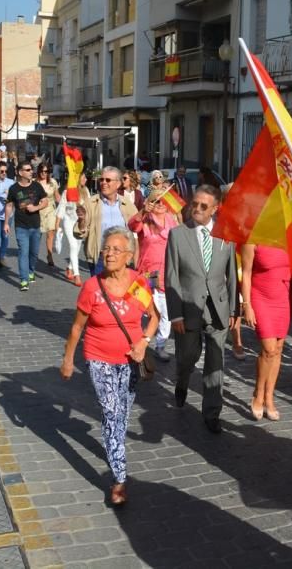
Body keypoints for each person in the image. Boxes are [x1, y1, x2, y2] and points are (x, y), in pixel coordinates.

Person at [61, 226, 160, 506]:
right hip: (98, 358)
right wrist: (68, 359)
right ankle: (119, 478)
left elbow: (154, 317)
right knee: (112, 411)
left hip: (130, 361)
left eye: (116, 249)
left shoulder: (137, 283)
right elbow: (77, 328)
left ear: (129, 256)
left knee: (122, 414)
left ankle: (114, 442)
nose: (109, 254)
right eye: (106, 249)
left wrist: (143, 342)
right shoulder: (93, 287)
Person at [165, 185, 239, 434]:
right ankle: (182, 380)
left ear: (215, 208)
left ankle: (212, 413)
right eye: (194, 204)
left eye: (203, 206)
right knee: (187, 357)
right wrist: (175, 313)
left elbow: (232, 276)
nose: (196, 209)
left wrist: (233, 311)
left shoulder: (225, 235)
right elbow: (171, 277)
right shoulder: (178, 235)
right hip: (187, 309)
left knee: (215, 363)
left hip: (217, 309)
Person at [128, 187, 179, 362]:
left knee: (166, 312)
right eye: (156, 200)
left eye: (163, 200)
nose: (160, 204)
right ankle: (137, 340)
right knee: (139, 308)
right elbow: (132, 226)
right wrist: (143, 211)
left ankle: (161, 345)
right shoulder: (145, 219)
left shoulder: (173, 221)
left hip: (167, 273)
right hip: (146, 274)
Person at [241, 244, 292, 421]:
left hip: (283, 298)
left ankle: (269, 397)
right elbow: (246, 273)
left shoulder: (289, 237)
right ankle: (258, 394)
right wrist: (246, 305)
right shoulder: (252, 240)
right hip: (261, 297)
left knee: (278, 348)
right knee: (269, 349)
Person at [74, 167, 139, 274]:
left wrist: (135, 260)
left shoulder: (127, 205)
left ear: (118, 184)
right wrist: (81, 220)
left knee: (120, 290)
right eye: (101, 180)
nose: (103, 183)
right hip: (100, 257)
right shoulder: (91, 203)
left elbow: (136, 232)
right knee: (100, 290)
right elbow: (79, 233)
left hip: (122, 258)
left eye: (108, 180)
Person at [4, 162, 48, 291]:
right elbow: (9, 206)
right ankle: (24, 280)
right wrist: (6, 223)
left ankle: (30, 271)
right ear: (20, 172)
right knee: (23, 252)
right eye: (28, 170)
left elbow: (45, 201)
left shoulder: (37, 186)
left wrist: (36, 207)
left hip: (35, 226)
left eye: (31, 169)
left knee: (33, 253)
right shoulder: (13, 189)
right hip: (21, 226)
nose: (31, 172)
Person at [36, 164, 60, 268]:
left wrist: (65, 206)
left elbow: (57, 196)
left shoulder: (53, 182)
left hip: (51, 209)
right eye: (41, 171)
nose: (43, 173)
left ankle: (49, 255)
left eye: (46, 171)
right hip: (38, 210)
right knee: (37, 235)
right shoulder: (34, 183)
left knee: (50, 233)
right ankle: (34, 254)